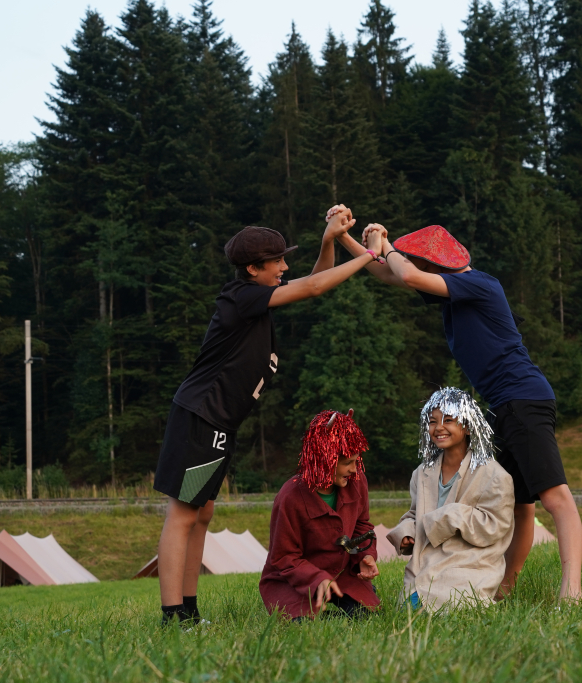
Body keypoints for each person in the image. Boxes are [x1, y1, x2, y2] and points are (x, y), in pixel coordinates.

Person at [151, 207, 378, 626]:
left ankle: (189, 610)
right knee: (183, 515)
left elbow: (314, 282)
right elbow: (314, 286)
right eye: (277, 262)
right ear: (254, 269)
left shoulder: (255, 297)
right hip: (200, 419)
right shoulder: (242, 298)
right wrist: (370, 255)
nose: (284, 268)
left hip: (218, 423)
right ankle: (173, 616)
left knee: (201, 514)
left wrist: (328, 241)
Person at [341, 222, 582, 602]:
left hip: (523, 398)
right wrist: (349, 240)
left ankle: (572, 592)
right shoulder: (454, 291)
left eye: (422, 264)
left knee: (555, 497)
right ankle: (503, 590)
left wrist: (386, 247)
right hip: (503, 406)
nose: (415, 270)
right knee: (519, 504)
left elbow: (406, 273)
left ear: (437, 265)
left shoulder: (479, 284)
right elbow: (393, 275)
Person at [385, 388, 515, 611]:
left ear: (467, 426)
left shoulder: (494, 475)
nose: (438, 428)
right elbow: (416, 515)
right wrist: (407, 532)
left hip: (469, 565)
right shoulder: (421, 473)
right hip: (424, 565)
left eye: (448, 420)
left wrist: (453, 515)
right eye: (432, 422)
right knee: (408, 610)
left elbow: (496, 526)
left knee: (448, 606)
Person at [260, 410, 380, 620]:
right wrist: (316, 578)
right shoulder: (289, 497)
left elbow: (362, 525)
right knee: (302, 622)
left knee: (364, 615)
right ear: (324, 460)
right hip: (293, 580)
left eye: (356, 461)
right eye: (347, 463)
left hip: (342, 574)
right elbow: (284, 556)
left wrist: (364, 556)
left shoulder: (357, 481)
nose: (354, 469)